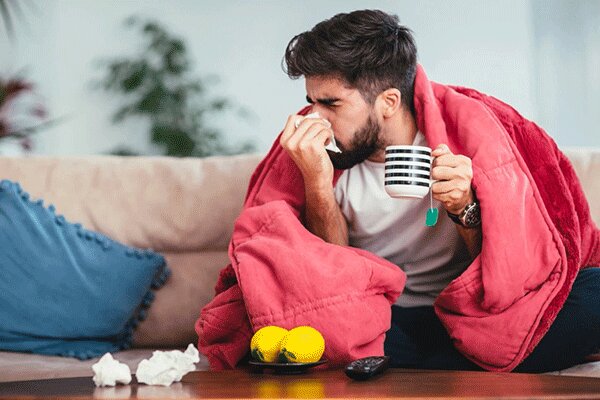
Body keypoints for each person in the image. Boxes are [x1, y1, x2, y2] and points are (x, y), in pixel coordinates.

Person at [277, 9, 600, 372]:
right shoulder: (318, 157)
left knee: (596, 291)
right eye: (311, 101)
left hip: (469, 313)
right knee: (314, 325)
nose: (314, 118)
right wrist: (317, 182)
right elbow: (332, 282)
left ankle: (425, 370)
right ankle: (464, 367)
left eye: (331, 104)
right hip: (382, 319)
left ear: (388, 102)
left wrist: (465, 206)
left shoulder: (463, 137)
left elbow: (505, 271)